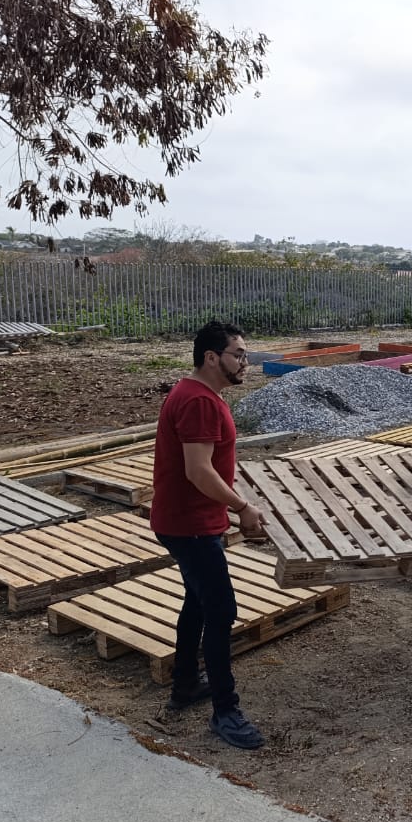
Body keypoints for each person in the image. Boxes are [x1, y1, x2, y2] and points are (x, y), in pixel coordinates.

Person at [151, 320, 267, 750]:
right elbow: (198, 471)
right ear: (212, 357)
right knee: (220, 611)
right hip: (191, 526)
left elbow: (205, 468)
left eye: (245, 354)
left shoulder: (195, 394)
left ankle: (185, 684)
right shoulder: (199, 401)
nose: (245, 362)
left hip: (186, 522)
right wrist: (241, 507)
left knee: (197, 603)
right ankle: (225, 711)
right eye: (238, 354)